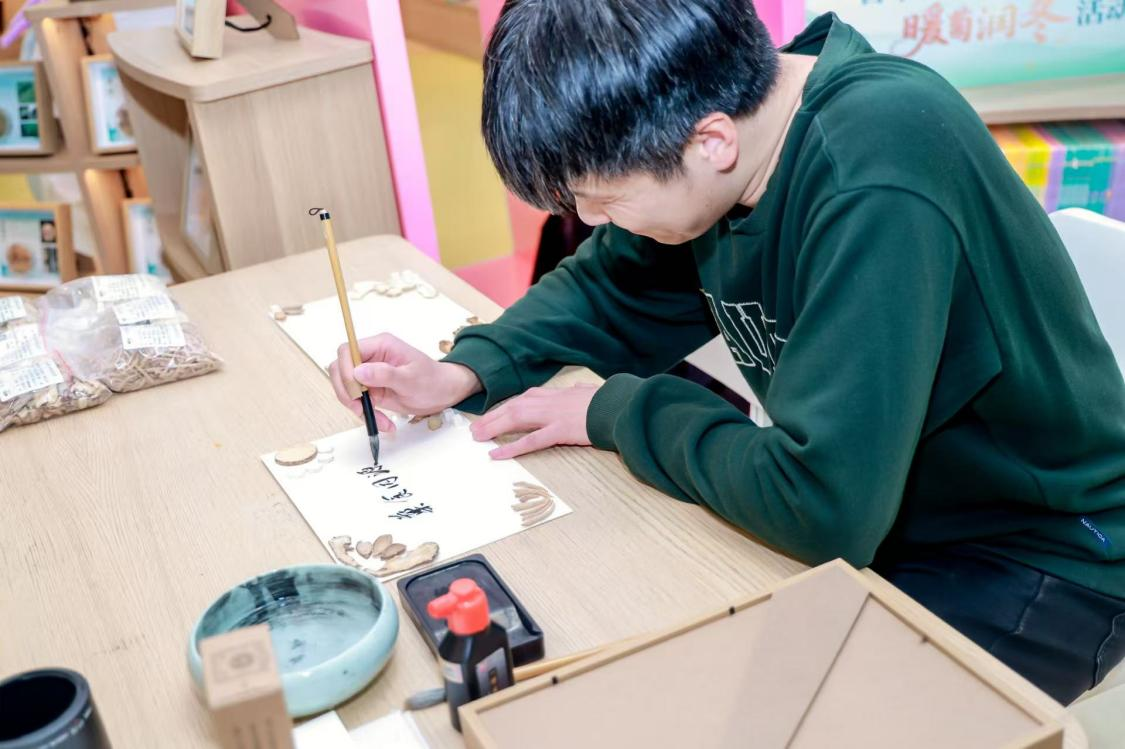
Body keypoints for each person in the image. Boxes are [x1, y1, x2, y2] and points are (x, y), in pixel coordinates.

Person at [330, 0, 1125, 703]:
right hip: (888, 511)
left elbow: (821, 506)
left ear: (709, 141)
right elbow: (610, 286)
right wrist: (463, 369)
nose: (596, 222)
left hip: (1042, 554)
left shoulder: (875, 174)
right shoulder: (731, 133)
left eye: (606, 199)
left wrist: (616, 410)